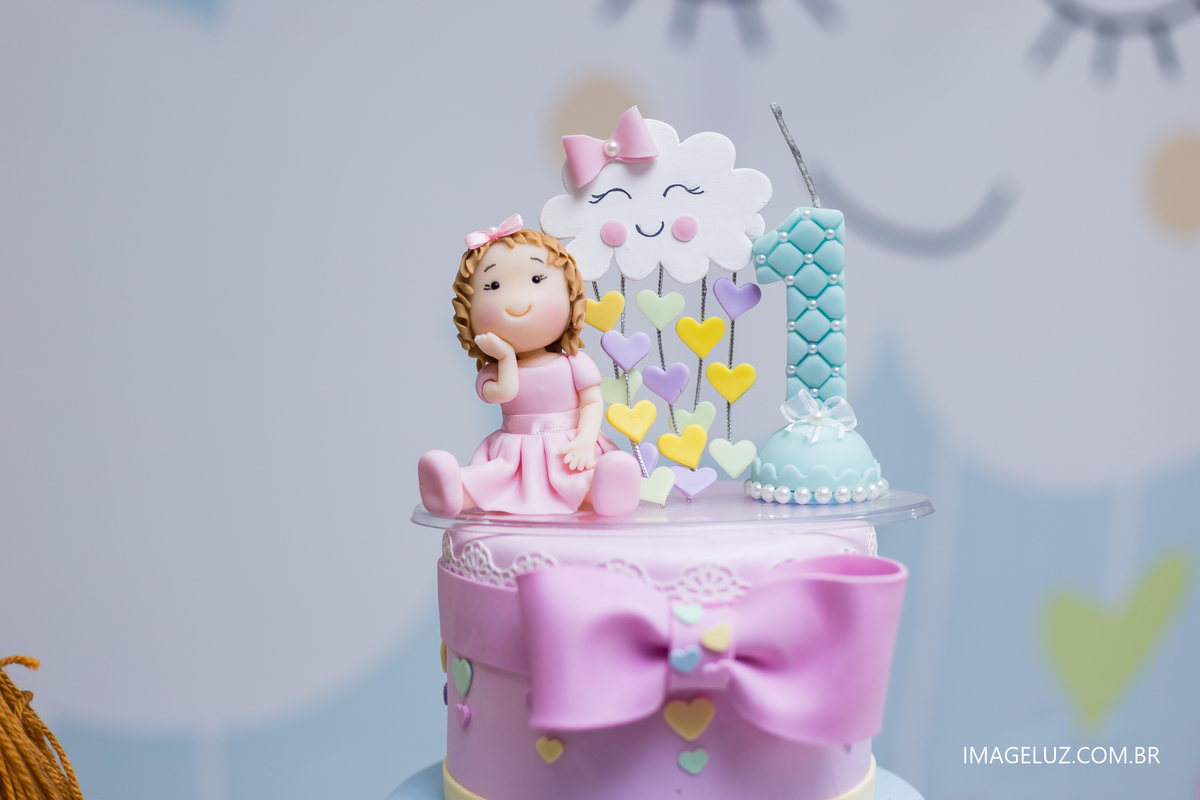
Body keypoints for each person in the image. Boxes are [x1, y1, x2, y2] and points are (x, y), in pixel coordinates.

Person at [417, 216, 641, 517]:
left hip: (569, 447)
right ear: (467, 314)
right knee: (492, 480)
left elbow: (592, 402)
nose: (516, 302)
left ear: (571, 294)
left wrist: (586, 441)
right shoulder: (493, 373)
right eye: (493, 286)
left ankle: (608, 488)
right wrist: (505, 357)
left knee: (580, 476)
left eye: (536, 279)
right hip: (515, 454)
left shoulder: (574, 363)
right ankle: (451, 489)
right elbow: (506, 392)